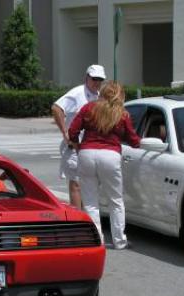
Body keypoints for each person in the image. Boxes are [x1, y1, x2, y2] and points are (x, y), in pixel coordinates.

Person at [68, 81, 140, 249]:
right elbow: (133, 140)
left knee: (91, 201)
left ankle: (96, 239)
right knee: (115, 200)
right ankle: (119, 241)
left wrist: (78, 146)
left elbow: (73, 131)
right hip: (110, 155)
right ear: (119, 95)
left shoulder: (88, 108)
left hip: (86, 153)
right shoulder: (121, 114)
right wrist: (140, 144)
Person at [52, 65, 106, 208]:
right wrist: (65, 133)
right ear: (87, 77)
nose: (97, 82)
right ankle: (78, 218)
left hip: (92, 147)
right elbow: (56, 108)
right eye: (94, 79)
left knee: (89, 185)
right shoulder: (77, 93)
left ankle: (87, 217)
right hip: (75, 147)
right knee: (76, 184)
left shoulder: (99, 95)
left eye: (100, 79)